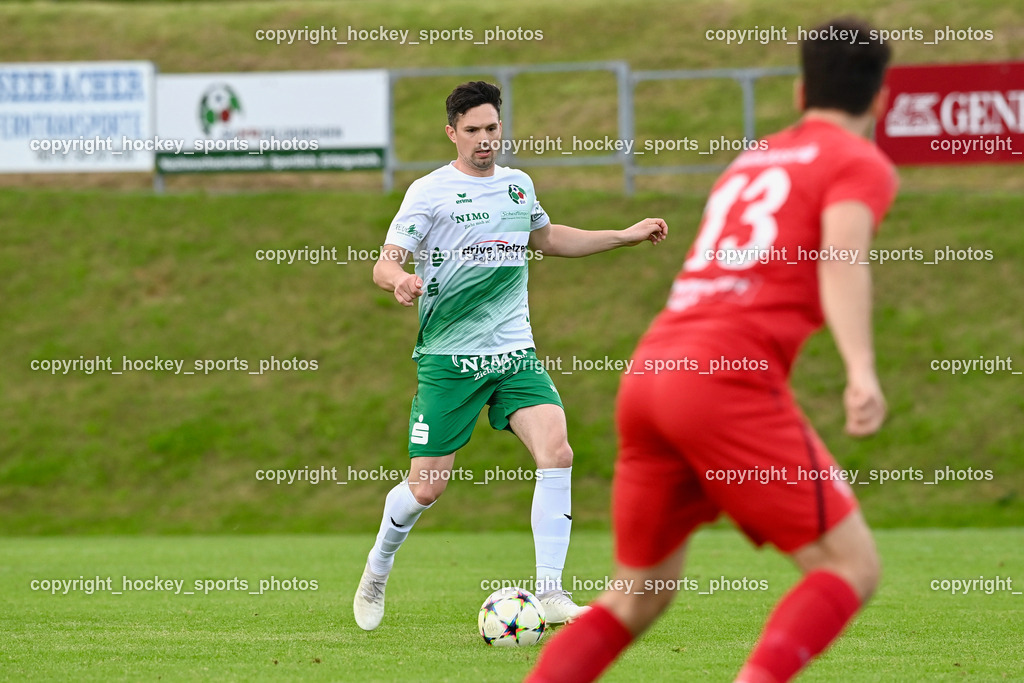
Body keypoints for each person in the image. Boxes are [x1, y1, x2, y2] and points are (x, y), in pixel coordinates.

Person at [526, 17, 897, 683]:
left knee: (636, 595)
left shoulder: (752, 158)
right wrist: (861, 370)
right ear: (880, 98)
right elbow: (841, 256)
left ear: (799, 91)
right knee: (852, 566)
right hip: (721, 381)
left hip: (651, 371)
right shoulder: (855, 160)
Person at [353, 81, 668, 631]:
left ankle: (550, 592)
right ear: (451, 133)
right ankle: (378, 567)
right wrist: (399, 279)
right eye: (472, 130)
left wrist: (624, 235)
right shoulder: (429, 191)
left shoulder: (518, 186)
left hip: (513, 353)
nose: (484, 139)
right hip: (450, 357)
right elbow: (386, 261)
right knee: (426, 487)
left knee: (557, 452)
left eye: (492, 128)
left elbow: (547, 240)